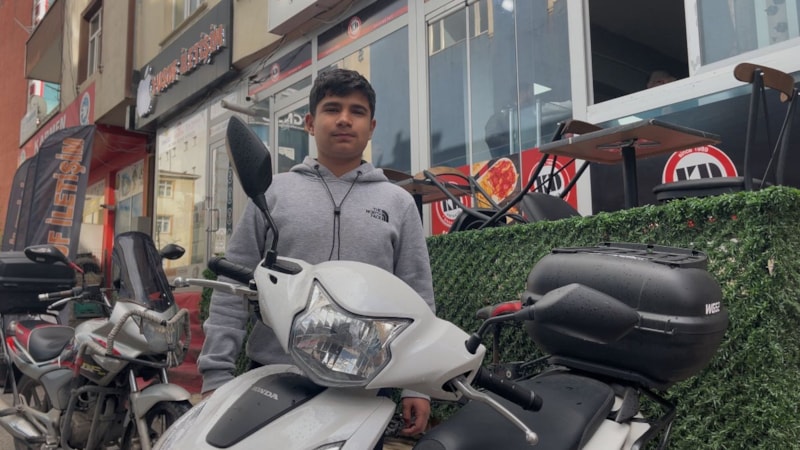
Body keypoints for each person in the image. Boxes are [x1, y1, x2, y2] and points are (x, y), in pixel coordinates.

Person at [197, 68, 436, 442]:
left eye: (357, 111)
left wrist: (418, 384)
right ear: (310, 123)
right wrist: (215, 374)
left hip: (366, 386)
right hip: (277, 376)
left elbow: (417, 297)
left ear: (371, 127)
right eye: (332, 108)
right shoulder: (272, 193)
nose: (344, 119)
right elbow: (233, 287)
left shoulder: (398, 203)